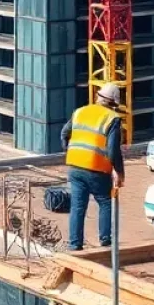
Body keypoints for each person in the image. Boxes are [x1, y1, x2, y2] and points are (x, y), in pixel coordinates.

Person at [60, 83, 124, 251]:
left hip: (75, 167)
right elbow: (113, 150)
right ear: (114, 102)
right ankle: (105, 240)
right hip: (97, 169)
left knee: (77, 206)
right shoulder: (112, 118)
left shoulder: (80, 112)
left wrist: (71, 150)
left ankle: (75, 245)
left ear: (99, 96)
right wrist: (119, 171)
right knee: (105, 202)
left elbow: (64, 133)